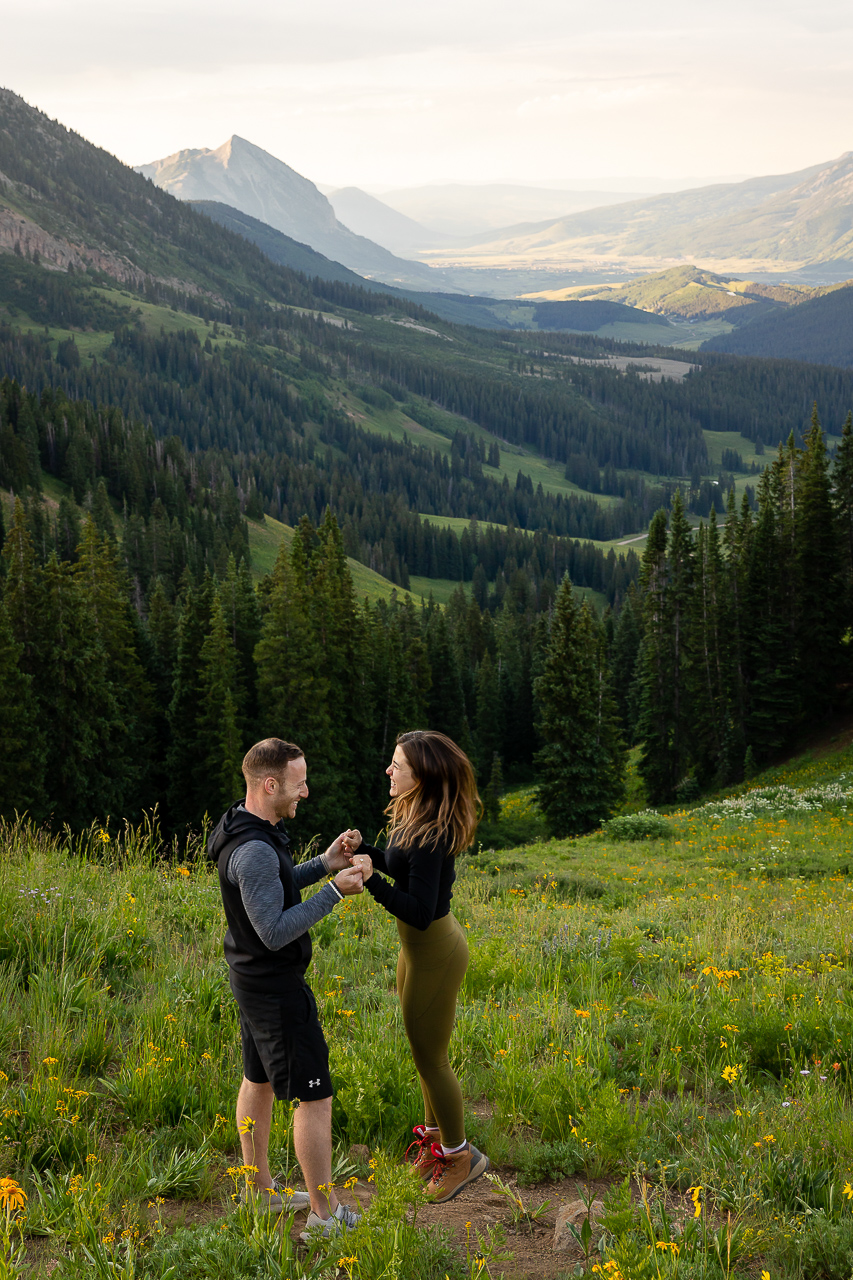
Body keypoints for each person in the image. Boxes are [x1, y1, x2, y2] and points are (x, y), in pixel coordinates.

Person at [208, 737, 364, 1239]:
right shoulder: (253, 848)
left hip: (250, 978)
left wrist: (322, 864)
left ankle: (259, 1194)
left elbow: (271, 884)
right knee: (312, 1097)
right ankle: (324, 1215)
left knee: (258, 1082)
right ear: (270, 784)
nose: (306, 791)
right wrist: (335, 892)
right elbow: (273, 930)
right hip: (274, 987)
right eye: (298, 784)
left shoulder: (244, 823)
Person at [346, 729, 489, 1204]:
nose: (389, 770)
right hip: (418, 952)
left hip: (435, 950)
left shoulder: (431, 835)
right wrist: (372, 858)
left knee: (433, 1057)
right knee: (420, 1048)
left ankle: (459, 1156)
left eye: (397, 765)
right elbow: (401, 867)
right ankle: (435, 1145)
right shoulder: (414, 819)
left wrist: (372, 883)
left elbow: (420, 909)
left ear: (421, 775)